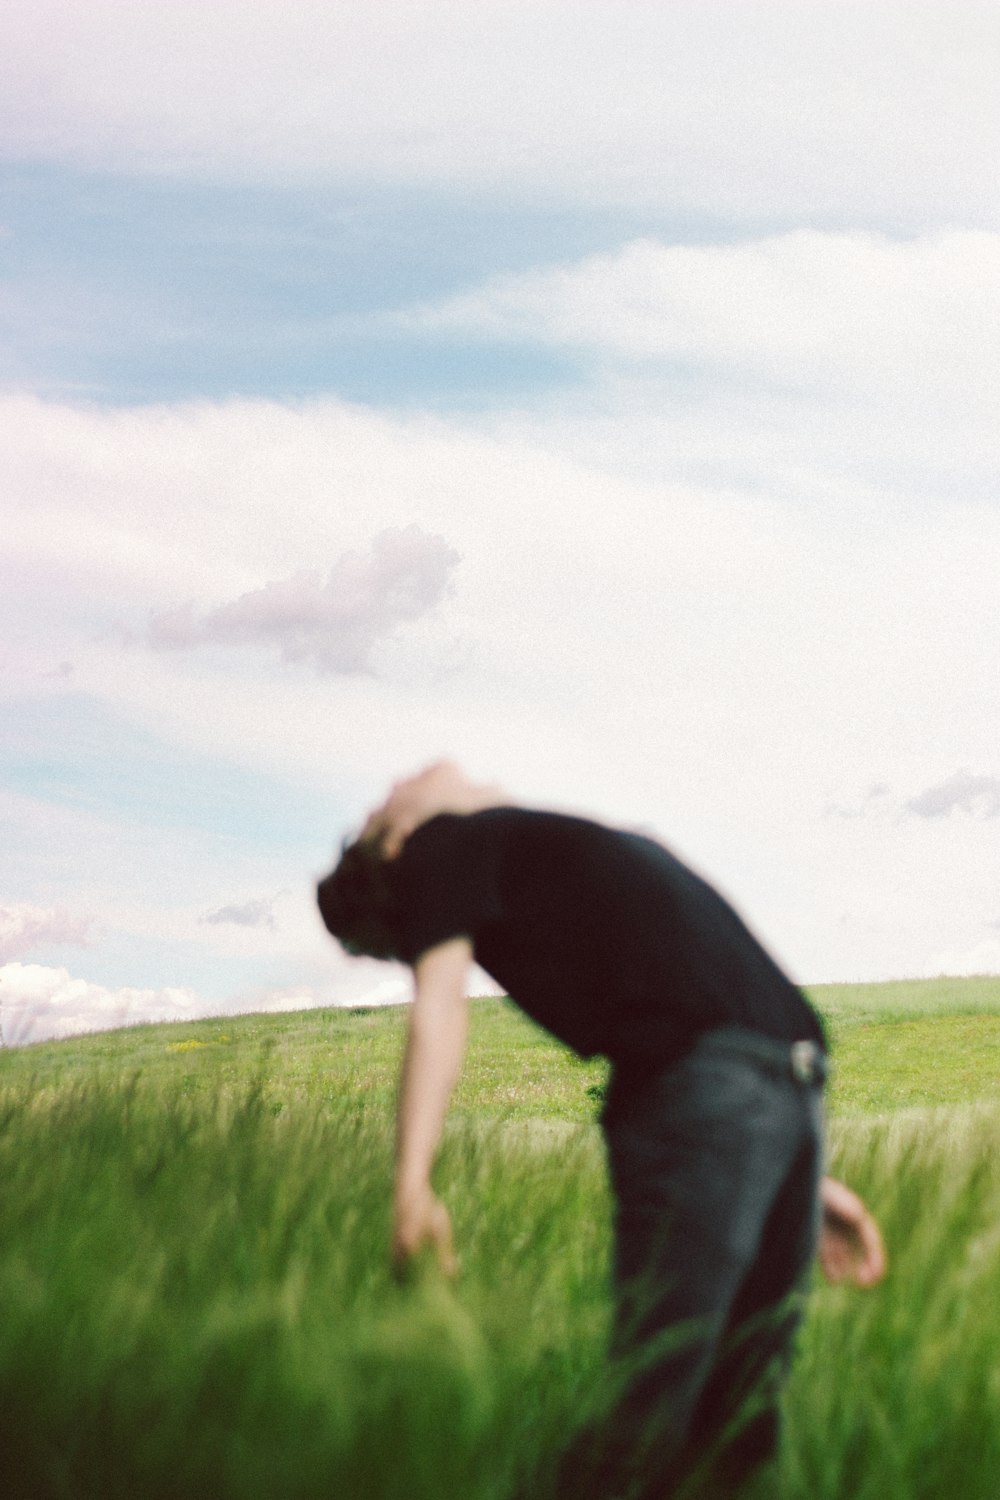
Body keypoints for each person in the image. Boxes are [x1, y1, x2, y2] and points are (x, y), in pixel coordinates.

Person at [317, 762, 885, 1497]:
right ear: (391, 852)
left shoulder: (520, 844)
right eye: (375, 812)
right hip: (714, 1098)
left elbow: (693, 988)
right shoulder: (436, 849)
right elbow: (440, 1009)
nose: (389, 786)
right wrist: (411, 1181)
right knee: (656, 1405)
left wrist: (802, 1180)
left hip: (783, 1090)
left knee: (744, 1410)